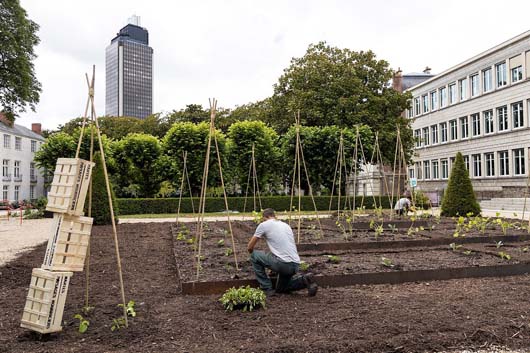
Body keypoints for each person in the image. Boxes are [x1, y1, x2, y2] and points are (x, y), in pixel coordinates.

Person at [247, 208, 318, 297]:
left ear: (265, 217)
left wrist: (253, 254)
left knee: (254, 255)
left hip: (283, 265)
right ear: (274, 216)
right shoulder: (285, 225)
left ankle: (266, 288)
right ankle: (304, 280)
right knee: (281, 289)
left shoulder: (263, 225)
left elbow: (250, 247)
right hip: (295, 264)